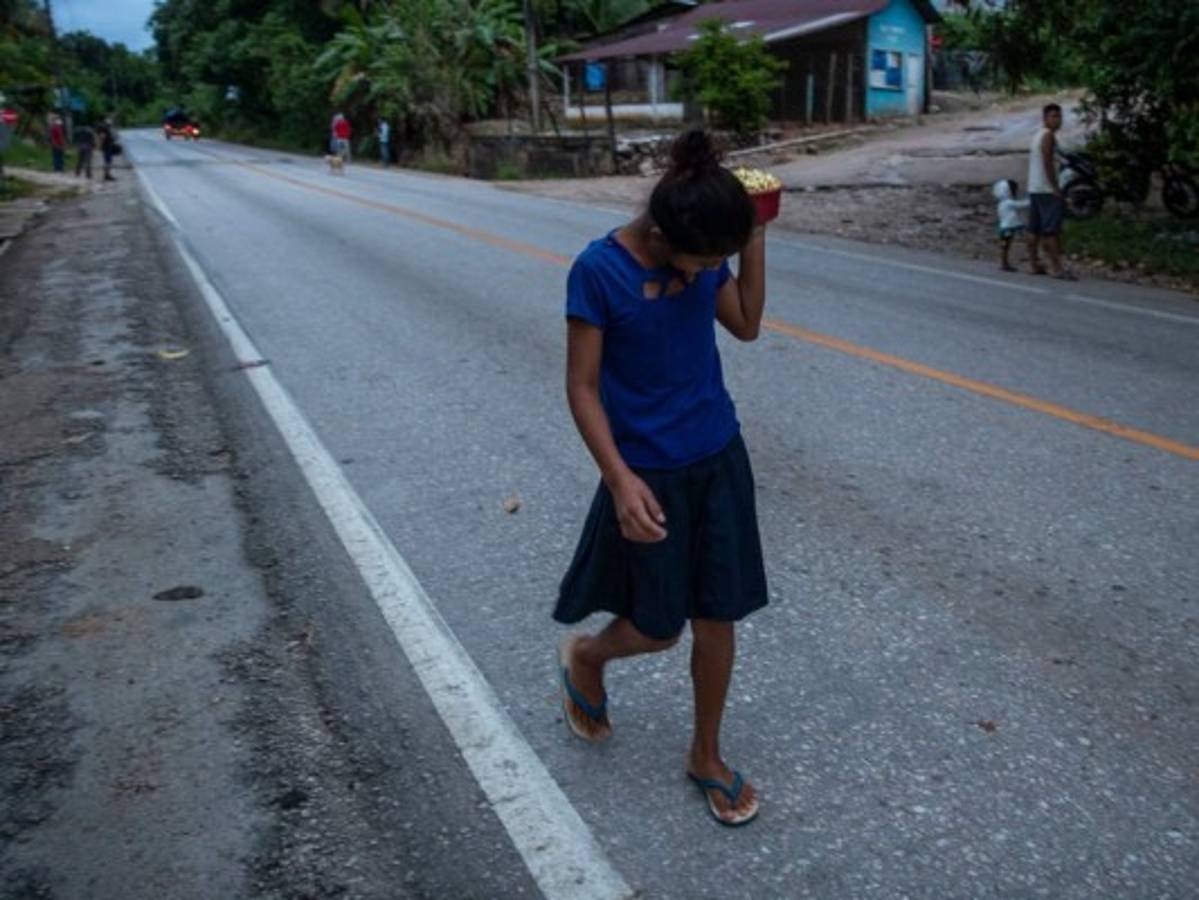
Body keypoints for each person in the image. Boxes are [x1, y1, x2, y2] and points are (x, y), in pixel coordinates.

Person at [555, 129, 768, 827]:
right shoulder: (598, 271)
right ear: (662, 234)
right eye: (707, 260)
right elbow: (582, 388)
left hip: (717, 457)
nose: (711, 271)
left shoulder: (702, 252)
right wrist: (618, 480)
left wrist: (754, 238)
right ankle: (587, 656)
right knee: (656, 627)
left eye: (718, 261)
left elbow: (745, 326)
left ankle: (704, 754)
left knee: (718, 617)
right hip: (646, 472)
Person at [1026, 103, 1075, 280]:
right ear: (1045, 118)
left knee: (1034, 228)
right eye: (1053, 116)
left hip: (1034, 187)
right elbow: (1047, 162)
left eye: (1059, 116)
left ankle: (1034, 264)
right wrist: (1055, 187)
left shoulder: (1037, 136)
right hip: (1046, 188)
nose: (1057, 120)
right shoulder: (1048, 136)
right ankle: (1056, 267)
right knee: (1051, 230)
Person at [993, 178, 1029, 272]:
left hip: (1004, 227)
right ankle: (1004, 263)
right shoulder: (1008, 203)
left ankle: (1004, 262)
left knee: (1005, 245)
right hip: (1008, 228)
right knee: (1006, 245)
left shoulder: (1001, 204)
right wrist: (1030, 199)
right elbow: (1022, 205)